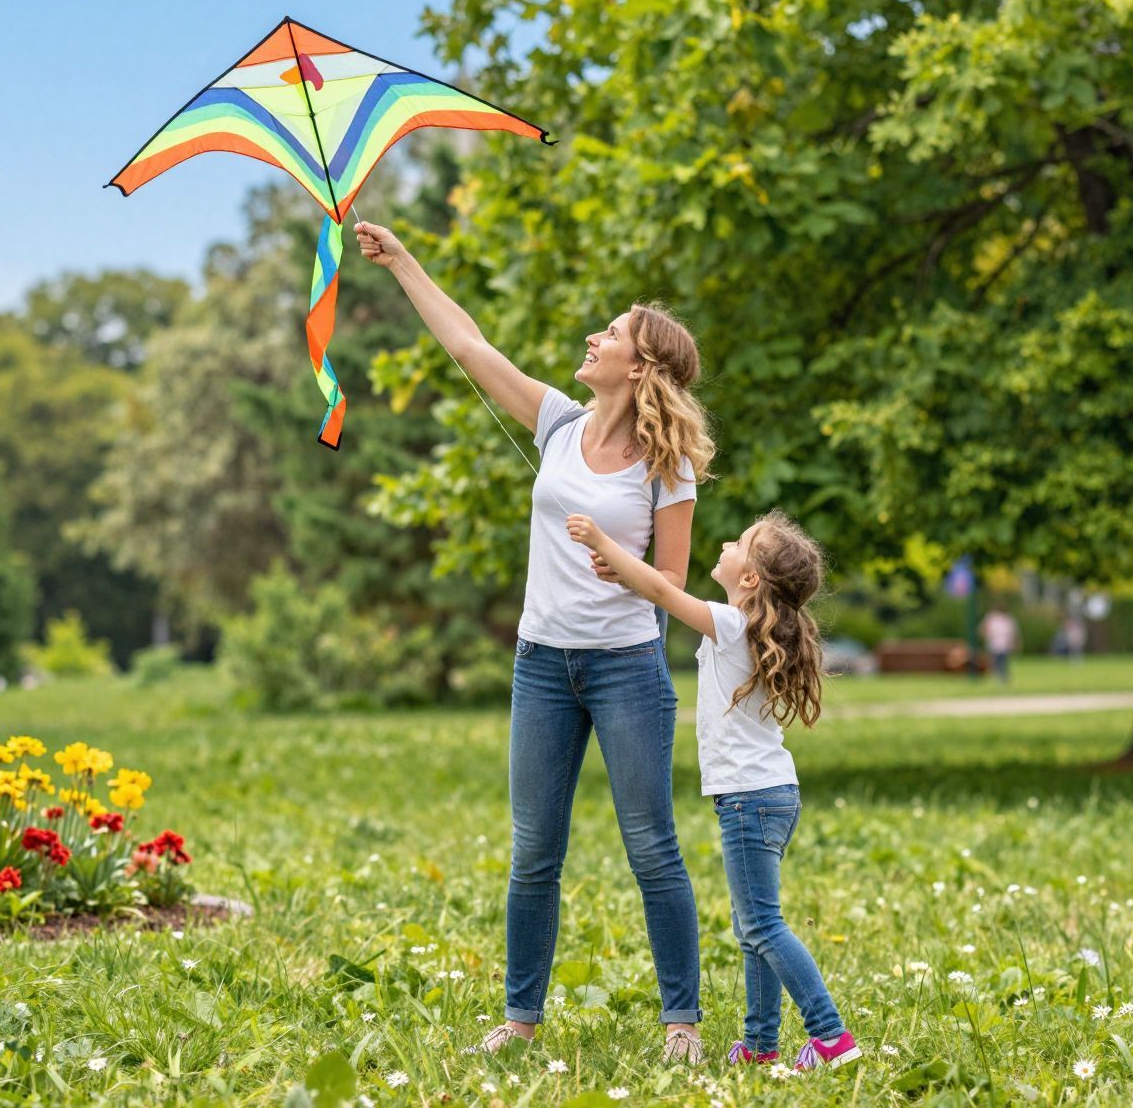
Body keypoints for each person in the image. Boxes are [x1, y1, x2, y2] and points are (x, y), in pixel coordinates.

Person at [355, 221, 715, 1062]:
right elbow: (469, 346)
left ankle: (682, 1024)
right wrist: (404, 259)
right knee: (533, 852)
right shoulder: (557, 421)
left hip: (628, 670)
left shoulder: (668, 467)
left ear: (643, 365)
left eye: (614, 333)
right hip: (541, 666)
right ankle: (520, 1020)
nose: (595, 337)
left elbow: (671, 587)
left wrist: (611, 558)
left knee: (652, 847)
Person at [569, 509, 860, 1071]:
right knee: (753, 928)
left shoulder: (731, 623)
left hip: (751, 799)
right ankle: (759, 1046)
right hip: (769, 795)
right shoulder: (747, 626)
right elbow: (650, 587)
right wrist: (623, 570)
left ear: (750, 578)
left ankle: (831, 1037)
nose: (727, 542)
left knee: (761, 926)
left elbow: (660, 588)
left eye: (741, 542)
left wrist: (602, 539)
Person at [979, 604, 1020, 684]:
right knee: (995, 662)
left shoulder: (1007, 619)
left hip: (1003, 645)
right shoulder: (992, 618)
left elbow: (1013, 633)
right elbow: (983, 629)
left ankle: (1003, 679)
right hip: (994, 644)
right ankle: (997, 678)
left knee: (1003, 662)